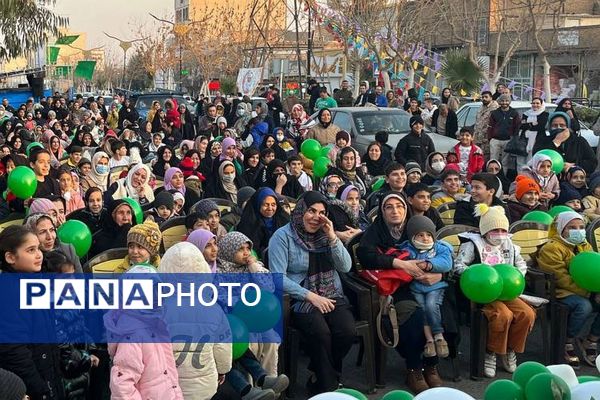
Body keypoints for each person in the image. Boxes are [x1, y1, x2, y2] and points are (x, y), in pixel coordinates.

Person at [269, 191, 355, 393]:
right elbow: (277, 278)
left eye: (322, 212)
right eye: (311, 211)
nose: (316, 217)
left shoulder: (325, 235)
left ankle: (321, 372)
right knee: (321, 332)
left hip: (331, 293)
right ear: (300, 211)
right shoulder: (282, 237)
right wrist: (311, 296)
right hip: (301, 299)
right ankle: (328, 388)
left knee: (347, 331)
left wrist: (333, 237)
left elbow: (345, 267)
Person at [356, 193, 443, 393]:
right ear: (382, 211)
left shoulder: (416, 229)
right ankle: (414, 368)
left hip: (425, 284)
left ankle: (431, 364)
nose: (395, 211)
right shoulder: (375, 231)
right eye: (389, 207)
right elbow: (366, 255)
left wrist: (439, 276)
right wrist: (399, 263)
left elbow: (439, 254)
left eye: (399, 206)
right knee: (416, 316)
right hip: (397, 289)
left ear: (406, 209)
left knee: (441, 309)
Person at [453, 204, 534, 377]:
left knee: (527, 314)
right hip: (485, 292)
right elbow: (458, 265)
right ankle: (491, 351)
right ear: (485, 230)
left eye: (503, 230)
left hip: (508, 290)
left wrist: (517, 275)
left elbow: (521, 263)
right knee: (503, 315)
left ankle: (509, 349)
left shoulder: (510, 244)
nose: (500, 234)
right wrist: (476, 274)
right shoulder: (471, 244)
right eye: (495, 229)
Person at [159, 242, 234, 400]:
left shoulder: (159, 309)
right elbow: (222, 345)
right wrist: (223, 369)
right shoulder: (213, 309)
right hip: (204, 383)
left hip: (167, 384)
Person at [0, 225, 65, 400]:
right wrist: (39, 388)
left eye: (38, 248)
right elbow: (14, 350)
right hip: (32, 384)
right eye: (30, 250)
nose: (38, 255)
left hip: (48, 373)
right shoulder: (8, 292)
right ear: (10, 257)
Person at [104, 264, 184, 400]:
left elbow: (168, 372)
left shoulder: (156, 324)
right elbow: (122, 387)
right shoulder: (132, 336)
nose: (156, 296)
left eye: (157, 290)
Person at [537, 211, 599, 367]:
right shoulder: (552, 248)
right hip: (561, 292)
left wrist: (597, 291)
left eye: (581, 227)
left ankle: (591, 340)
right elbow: (560, 277)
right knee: (584, 306)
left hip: (586, 289)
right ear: (561, 230)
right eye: (572, 227)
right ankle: (567, 341)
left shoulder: (586, 245)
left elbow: (593, 271)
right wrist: (588, 292)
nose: (577, 231)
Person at [400, 216, 453, 358]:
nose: (425, 238)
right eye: (420, 235)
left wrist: (428, 264)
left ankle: (439, 335)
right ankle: (429, 340)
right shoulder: (407, 249)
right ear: (412, 237)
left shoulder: (440, 248)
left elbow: (446, 263)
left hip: (435, 287)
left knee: (431, 305)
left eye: (429, 235)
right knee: (421, 309)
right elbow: (403, 261)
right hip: (416, 287)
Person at [532, 111, 597, 175]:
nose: (558, 128)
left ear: (567, 126)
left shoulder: (579, 141)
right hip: (550, 180)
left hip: (575, 181)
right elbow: (536, 159)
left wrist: (573, 165)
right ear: (550, 127)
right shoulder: (543, 140)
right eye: (555, 125)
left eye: (562, 125)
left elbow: (592, 162)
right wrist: (556, 142)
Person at [237, 187, 289, 256]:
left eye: (273, 205)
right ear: (258, 205)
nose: (270, 208)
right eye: (266, 204)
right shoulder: (248, 224)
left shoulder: (284, 220)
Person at [487, 94, 521, 172]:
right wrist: (490, 138)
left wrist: (513, 139)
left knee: (505, 162)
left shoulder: (514, 113)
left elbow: (517, 127)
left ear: (509, 102)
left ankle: (503, 178)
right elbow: (490, 126)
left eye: (506, 101)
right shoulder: (494, 113)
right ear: (499, 102)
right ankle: (492, 178)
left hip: (508, 140)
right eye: (502, 101)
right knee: (493, 161)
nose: (504, 102)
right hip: (495, 140)